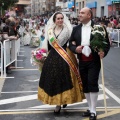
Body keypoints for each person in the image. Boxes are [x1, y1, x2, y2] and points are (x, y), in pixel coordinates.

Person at [38, 12, 84, 114]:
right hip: (52, 56)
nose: (60, 20)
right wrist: (42, 55)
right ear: (54, 20)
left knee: (64, 79)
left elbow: (73, 41)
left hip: (65, 56)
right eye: (58, 19)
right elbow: (47, 44)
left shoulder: (68, 30)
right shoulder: (50, 31)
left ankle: (63, 100)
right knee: (54, 79)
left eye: (61, 18)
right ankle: (58, 103)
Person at [69, 7, 110, 120]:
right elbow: (70, 44)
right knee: (85, 85)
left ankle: (93, 110)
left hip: (94, 60)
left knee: (92, 83)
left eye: (82, 13)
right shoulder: (76, 29)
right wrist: (74, 48)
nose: (79, 14)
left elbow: (106, 44)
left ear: (89, 15)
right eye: (80, 13)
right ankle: (89, 107)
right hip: (81, 60)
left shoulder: (99, 28)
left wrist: (103, 52)